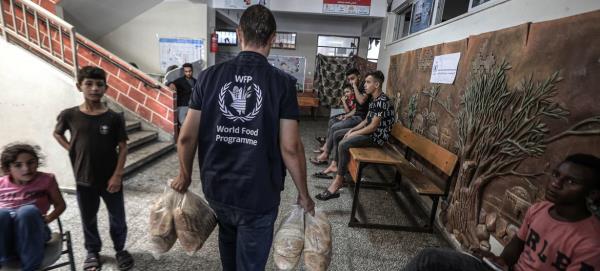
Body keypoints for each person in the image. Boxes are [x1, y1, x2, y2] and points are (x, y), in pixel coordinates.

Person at [170, 5, 315, 271]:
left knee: (228, 236)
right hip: (259, 193)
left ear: (239, 34)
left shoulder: (208, 77)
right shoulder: (282, 83)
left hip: (218, 189)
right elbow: (291, 147)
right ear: (273, 38)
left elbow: (186, 137)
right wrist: (304, 193)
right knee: (250, 261)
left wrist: (185, 175)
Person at [401, 153, 600, 271]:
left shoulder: (590, 244)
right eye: (556, 175)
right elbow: (517, 244)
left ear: (592, 193)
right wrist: (501, 261)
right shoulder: (540, 210)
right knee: (429, 258)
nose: (556, 183)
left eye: (571, 181)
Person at [53, 66, 133, 271]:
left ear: (105, 88)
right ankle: (92, 251)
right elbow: (58, 133)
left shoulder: (114, 117)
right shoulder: (69, 115)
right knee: (88, 217)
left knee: (118, 217)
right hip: (84, 178)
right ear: (80, 86)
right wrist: (70, 147)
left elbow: (123, 146)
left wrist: (117, 175)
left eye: (99, 84)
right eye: (89, 84)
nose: (94, 88)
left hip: (111, 179)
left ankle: (120, 249)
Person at [316, 70, 395, 200]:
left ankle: (338, 182)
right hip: (370, 132)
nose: (365, 85)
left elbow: (373, 127)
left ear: (377, 84)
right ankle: (336, 165)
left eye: (368, 82)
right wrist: (351, 131)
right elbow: (365, 121)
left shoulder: (382, 101)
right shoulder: (375, 99)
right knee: (338, 134)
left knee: (343, 143)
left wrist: (354, 133)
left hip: (377, 138)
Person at [0, 143, 66, 271]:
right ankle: (6, 262)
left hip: (34, 230)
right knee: (1, 214)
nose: (26, 168)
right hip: (6, 235)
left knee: (27, 211)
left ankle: (30, 267)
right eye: (18, 165)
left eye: (31, 163)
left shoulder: (46, 180)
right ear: (9, 168)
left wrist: (48, 218)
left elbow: (60, 205)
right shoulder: (1, 184)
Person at [310, 68, 371, 166]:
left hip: (360, 119)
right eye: (349, 80)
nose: (351, 81)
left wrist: (354, 86)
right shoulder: (359, 87)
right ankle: (326, 147)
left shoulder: (363, 87)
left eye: (353, 78)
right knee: (332, 121)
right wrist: (346, 116)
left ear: (359, 76)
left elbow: (361, 101)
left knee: (335, 128)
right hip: (355, 116)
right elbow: (356, 109)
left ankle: (326, 154)